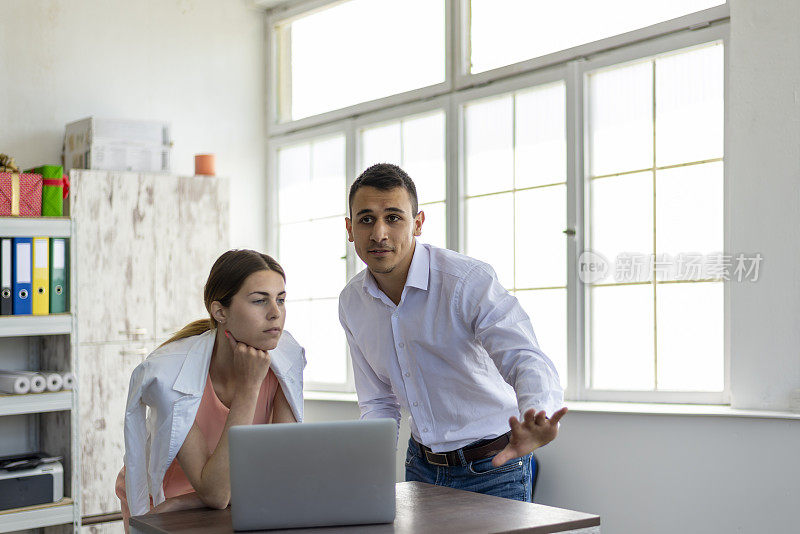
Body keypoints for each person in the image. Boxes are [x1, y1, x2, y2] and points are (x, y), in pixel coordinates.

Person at [339, 163, 567, 502]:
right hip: (420, 467)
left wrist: (539, 412)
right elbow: (378, 401)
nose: (379, 233)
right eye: (367, 219)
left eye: (394, 217)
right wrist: (370, 470)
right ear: (350, 228)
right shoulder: (351, 301)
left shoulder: (466, 281)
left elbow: (523, 355)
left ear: (418, 224)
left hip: (494, 466)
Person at [115, 250, 305, 530]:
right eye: (259, 300)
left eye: (281, 299)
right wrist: (248, 388)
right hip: (163, 505)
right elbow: (216, 493)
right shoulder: (172, 376)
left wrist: (187, 501)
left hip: (213, 502)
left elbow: (278, 474)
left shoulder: (284, 362)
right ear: (220, 311)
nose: (275, 313)